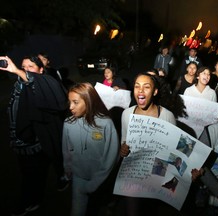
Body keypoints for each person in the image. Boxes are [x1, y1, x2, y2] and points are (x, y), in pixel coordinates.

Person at [0, 55, 69, 216]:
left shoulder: (44, 82)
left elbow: (36, 84)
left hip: (34, 143)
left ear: (41, 70)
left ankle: (30, 202)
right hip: (19, 142)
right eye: (23, 66)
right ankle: (59, 178)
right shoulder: (19, 85)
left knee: (32, 176)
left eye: (30, 66)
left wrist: (17, 70)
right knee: (33, 172)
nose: (26, 70)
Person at [119, 72, 176, 216]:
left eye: (146, 87)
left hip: (156, 175)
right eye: (137, 86)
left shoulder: (167, 116)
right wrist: (123, 149)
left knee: (150, 209)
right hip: (133, 173)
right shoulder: (126, 114)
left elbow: (173, 150)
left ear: (155, 91)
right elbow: (123, 141)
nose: (140, 91)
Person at [62, 82, 119, 216]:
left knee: (99, 207)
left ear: (88, 101)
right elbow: (67, 151)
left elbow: (111, 156)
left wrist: (95, 183)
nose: (70, 107)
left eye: (75, 102)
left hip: (101, 179)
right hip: (79, 178)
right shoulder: (68, 124)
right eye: (69, 102)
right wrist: (68, 170)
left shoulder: (105, 123)